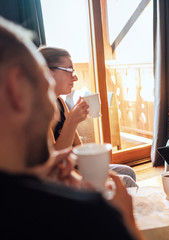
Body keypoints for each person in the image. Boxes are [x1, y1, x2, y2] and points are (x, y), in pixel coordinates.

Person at [0, 17, 144, 239]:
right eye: (46, 86)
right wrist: (127, 221)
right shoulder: (85, 214)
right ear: (16, 88)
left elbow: (75, 149)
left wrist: (46, 169)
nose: (53, 109)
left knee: (126, 172)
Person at [38, 46, 137, 187]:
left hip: (75, 168)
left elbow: (78, 148)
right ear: (48, 73)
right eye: (69, 70)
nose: (75, 77)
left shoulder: (59, 102)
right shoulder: (39, 110)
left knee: (128, 171)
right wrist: (72, 121)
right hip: (60, 177)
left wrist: (96, 167)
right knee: (127, 181)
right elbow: (53, 160)